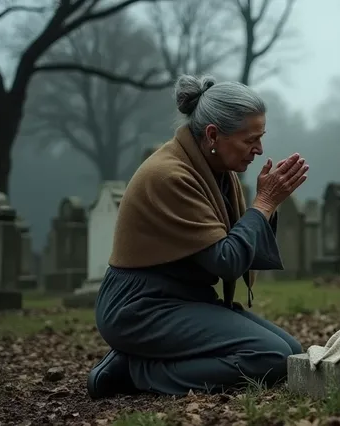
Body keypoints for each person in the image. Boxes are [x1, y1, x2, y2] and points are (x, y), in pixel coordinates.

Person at [86, 74, 309, 399]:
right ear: (213, 134)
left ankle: (141, 359)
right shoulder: (170, 176)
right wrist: (263, 204)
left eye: (261, 138)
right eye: (250, 140)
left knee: (291, 351)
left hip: (184, 298)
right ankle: (136, 371)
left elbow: (239, 246)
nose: (259, 150)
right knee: (271, 357)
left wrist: (266, 208)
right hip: (139, 308)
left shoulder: (216, 170)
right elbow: (226, 261)